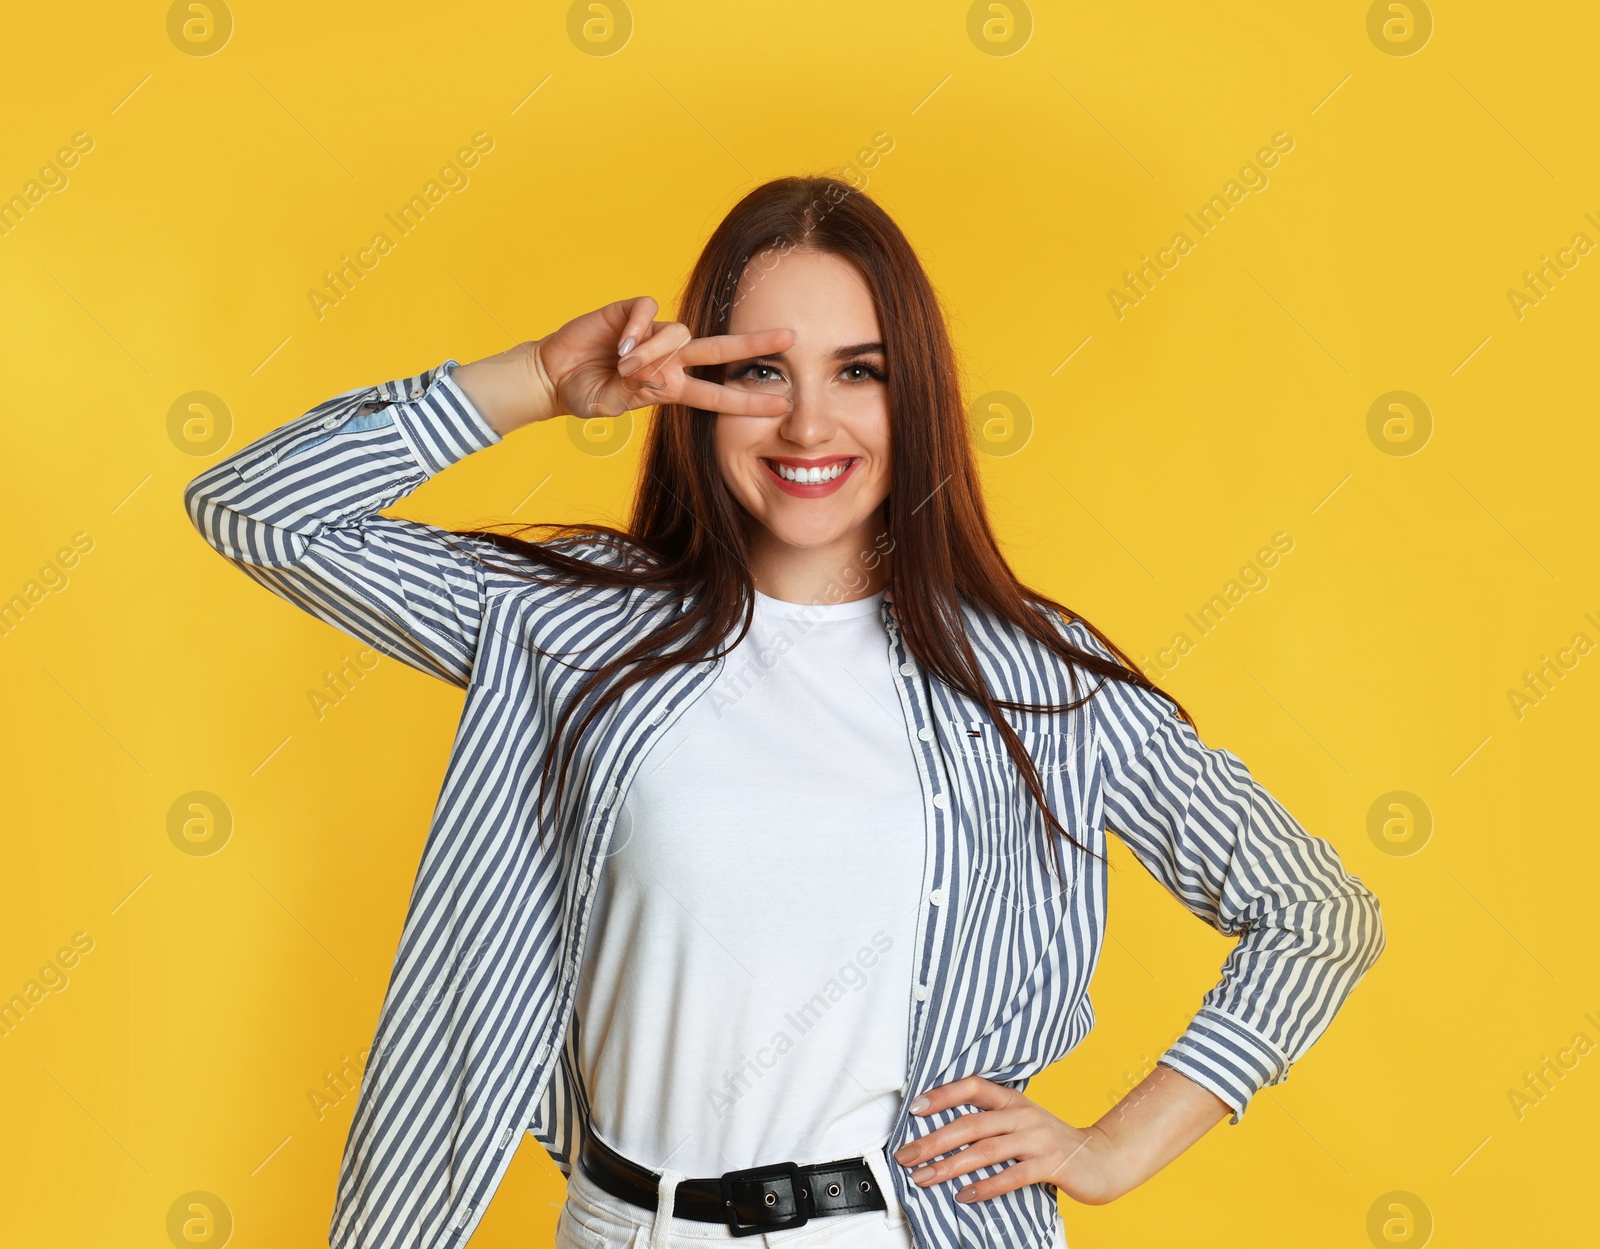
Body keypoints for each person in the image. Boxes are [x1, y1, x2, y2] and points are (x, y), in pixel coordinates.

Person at [183, 176, 1385, 1249]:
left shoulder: (1034, 680)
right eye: (761, 370)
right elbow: (257, 511)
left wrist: (1114, 1149)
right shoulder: (571, 629)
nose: (808, 424)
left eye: (857, 371)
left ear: (913, 396)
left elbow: (1314, 913)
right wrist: (543, 381)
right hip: (615, 1224)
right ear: (697, 386)